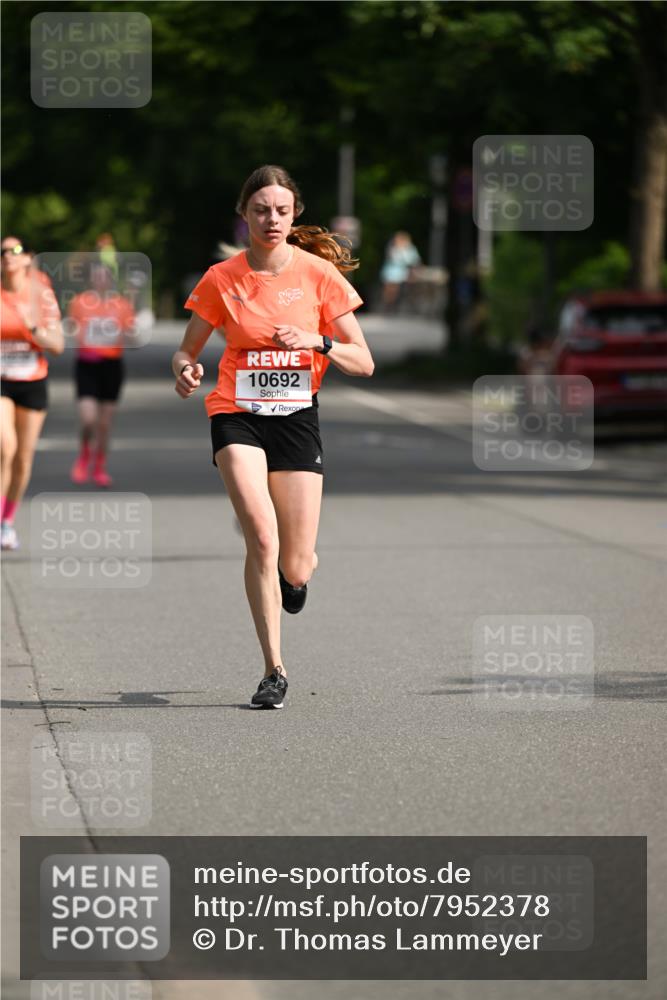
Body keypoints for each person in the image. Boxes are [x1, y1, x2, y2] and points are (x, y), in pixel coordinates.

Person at [173, 164, 374, 709]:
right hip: (235, 411)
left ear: (295, 214)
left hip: (295, 418)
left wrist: (317, 340)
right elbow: (187, 350)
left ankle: (294, 575)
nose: (272, 219)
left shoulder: (318, 276)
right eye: (261, 209)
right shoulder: (222, 277)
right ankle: (273, 670)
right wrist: (185, 369)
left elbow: (364, 361)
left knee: (297, 561)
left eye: (282, 210)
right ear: (244, 215)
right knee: (261, 534)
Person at [1, 236, 64, 550]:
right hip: (1, 381)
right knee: (4, 446)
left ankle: (7, 521)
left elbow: (58, 345)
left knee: (23, 460)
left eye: (14, 251)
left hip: (32, 380)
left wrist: (32, 328)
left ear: (27, 258)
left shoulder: (40, 293)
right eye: (2, 252)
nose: (7, 257)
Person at [68, 262, 135, 487]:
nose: (100, 280)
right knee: (88, 419)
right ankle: (84, 454)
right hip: (87, 365)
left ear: (110, 279)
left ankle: (99, 467)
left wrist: (131, 333)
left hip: (111, 366)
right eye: (96, 276)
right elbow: (72, 329)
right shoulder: (79, 302)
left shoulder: (122, 305)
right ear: (91, 280)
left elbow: (130, 335)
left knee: (105, 423)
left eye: (104, 276)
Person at [380, 231, 421, 312]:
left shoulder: (410, 248)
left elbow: (415, 260)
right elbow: (395, 259)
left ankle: (402, 307)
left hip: (405, 274)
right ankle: (389, 307)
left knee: (409, 289)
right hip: (392, 273)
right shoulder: (393, 248)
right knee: (391, 290)